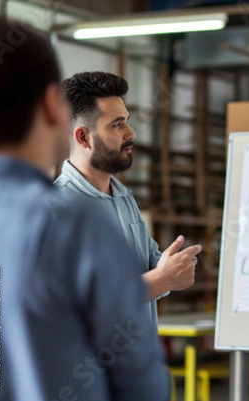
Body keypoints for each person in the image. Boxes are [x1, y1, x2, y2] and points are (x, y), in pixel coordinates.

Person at [0, 18, 169, 400]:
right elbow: (138, 378)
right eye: (118, 125)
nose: (129, 134)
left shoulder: (114, 203)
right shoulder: (69, 222)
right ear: (54, 107)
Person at [55, 71, 202, 327]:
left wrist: (172, 267)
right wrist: (162, 279)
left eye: (127, 121)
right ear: (83, 137)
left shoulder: (123, 197)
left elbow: (150, 269)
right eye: (117, 124)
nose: (131, 133)